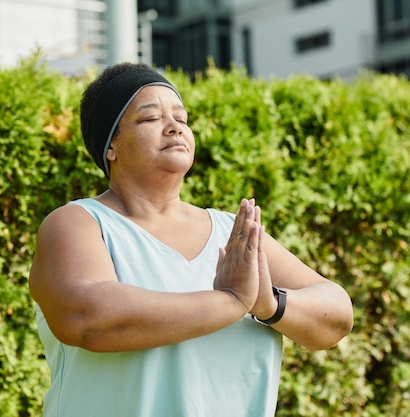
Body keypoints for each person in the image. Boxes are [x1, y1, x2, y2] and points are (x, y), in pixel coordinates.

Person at [28, 62, 353, 417]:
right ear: (111, 146)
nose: (174, 128)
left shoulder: (233, 232)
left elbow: (336, 314)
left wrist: (269, 304)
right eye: (150, 119)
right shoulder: (79, 224)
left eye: (181, 118)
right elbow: (88, 318)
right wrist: (232, 302)